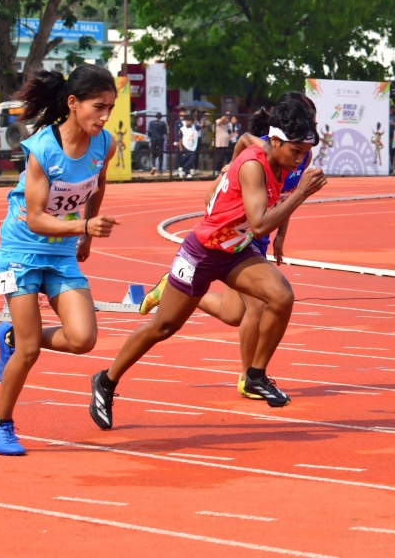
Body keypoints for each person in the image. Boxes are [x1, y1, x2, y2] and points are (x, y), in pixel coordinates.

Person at [89, 95, 326, 428]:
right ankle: (106, 380)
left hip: (236, 250)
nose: (300, 159)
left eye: (305, 152)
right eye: (296, 151)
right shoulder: (254, 165)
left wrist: (284, 224)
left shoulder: (287, 159)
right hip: (202, 252)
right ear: (275, 140)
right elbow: (260, 224)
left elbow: (272, 206)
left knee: (280, 296)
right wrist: (298, 192)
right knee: (164, 327)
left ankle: (255, 375)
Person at [136, 95, 318, 395]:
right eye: (309, 120)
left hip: (261, 230)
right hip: (243, 231)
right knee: (258, 305)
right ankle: (249, 377)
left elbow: (286, 197)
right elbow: (244, 143)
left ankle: (172, 286)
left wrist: (281, 235)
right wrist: (225, 176)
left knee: (233, 314)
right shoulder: (268, 147)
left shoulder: (302, 155)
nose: (310, 129)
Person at [0, 66, 119, 456]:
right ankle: (2, 424)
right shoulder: (43, 149)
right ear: (73, 103)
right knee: (29, 352)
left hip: (60, 253)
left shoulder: (105, 144)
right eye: (98, 107)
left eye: (110, 108)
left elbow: (99, 184)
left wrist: (86, 236)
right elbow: (36, 217)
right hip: (20, 253)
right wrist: (83, 226)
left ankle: (12, 336)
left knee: (83, 339)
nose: (105, 117)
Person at [176, 113, 199, 178]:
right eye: (187, 121)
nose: (189, 122)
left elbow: (201, 126)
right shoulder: (182, 129)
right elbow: (180, 139)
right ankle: (186, 172)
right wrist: (180, 148)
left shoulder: (195, 127)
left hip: (192, 147)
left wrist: (205, 118)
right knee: (185, 160)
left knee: (192, 159)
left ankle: (184, 170)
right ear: (185, 121)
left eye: (190, 121)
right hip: (185, 146)